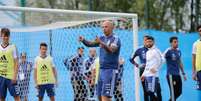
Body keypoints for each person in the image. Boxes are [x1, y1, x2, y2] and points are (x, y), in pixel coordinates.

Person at [79, 20, 121, 101]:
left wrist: (101, 43)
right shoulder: (102, 37)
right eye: (102, 27)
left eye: (106, 27)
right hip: (101, 71)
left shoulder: (116, 39)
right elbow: (90, 44)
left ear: (112, 28)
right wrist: (83, 40)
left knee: (106, 97)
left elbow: (111, 50)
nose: (104, 29)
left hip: (110, 71)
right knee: (99, 96)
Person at [0, 28, 20, 101]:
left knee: (16, 97)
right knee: (2, 98)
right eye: (4, 35)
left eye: (7, 35)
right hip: (1, 77)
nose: (6, 37)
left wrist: (14, 76)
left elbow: (16, 62)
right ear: (1, 36)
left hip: (11, 77)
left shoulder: (13, 47)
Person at [164, 36, 187, 101]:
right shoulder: (168, 51)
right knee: (173, 94)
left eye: (177, 42)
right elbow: (161, 59)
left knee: (179, 92)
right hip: (171, 75)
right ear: (171, 43)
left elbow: (179, 62)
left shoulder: (178, 51)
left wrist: (183, 73)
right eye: (175, 42)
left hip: (178, 75)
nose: (177, 43)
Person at [141, 36, 163, 101]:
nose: (148, 43)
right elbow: (147, 65)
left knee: (151, 92)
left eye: (150, 41)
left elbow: (162, 60)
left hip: (153, 76)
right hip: (147, 76)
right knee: (148, 92)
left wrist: (156, 69)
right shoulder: (147, 52)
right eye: (147, 42)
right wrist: (143, 74)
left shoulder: (156, 51)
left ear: (153, 42)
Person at [129, 35, 149, 101]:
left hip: (152, 72)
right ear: (143, 41)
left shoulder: (153, 50)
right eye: (145, 40)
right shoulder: (139, 49)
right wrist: (138, 65)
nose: (147, 42)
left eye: (148, 40)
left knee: (153, 90)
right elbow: (130, 58)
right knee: (146, 90)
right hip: (143, 71)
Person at [192, 25, 201, 90]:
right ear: (198, 32)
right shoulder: (195, 44)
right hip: (199, 70)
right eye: (200, 31)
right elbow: (193, 58)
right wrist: (194, 72)